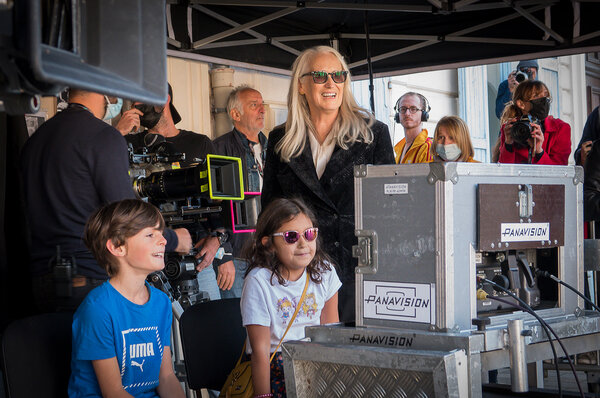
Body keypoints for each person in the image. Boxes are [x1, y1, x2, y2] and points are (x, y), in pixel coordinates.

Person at [20, 89, 191, 313]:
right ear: (102, 90)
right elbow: (126, 214)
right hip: (88, 276)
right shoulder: (103, 136)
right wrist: (172, 238)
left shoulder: (36, 140)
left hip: (39, 280)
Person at [261, 45, 394, 323]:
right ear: (301, 85)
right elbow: (271, 211)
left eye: (338, 75)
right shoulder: (280, 139)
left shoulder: (373, 134)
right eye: (320, 75)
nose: (331, 83)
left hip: (357, 271)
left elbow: (389, 209)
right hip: (299, 273)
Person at [126, 84, 235, 301]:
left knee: (208, 326)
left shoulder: (199, 143)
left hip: (196, 259)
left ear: (163, 100)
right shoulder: (126, 144)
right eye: (132, 101)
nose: (135, 106)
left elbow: (220, 201)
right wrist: (119, 132)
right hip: (144, 260)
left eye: (140, 99)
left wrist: (220, 244)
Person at [68, 199, 184, 398]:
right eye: (150, 234)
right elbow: (113, 392)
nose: (164, 240)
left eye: (161, 233)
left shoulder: (161, 302)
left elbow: (165, 377)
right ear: (117, 247)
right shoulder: (98, 309)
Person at [241, 198, 341, 398]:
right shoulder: (259, 281)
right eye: (291, 237)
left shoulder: (326, 271)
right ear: (269, 244)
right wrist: (263, 396)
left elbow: (331, 335)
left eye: (310, 234)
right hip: (276, 367)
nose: (303, 243)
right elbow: (260, 352)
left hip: (316, 361)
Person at [213, 85, 267, 298]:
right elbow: (213, 206)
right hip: (236, 257)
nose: (262, 110)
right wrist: (223, 255)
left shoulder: (275, 149)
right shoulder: (219, 149)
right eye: (254, 105)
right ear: (235, 114)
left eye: (262, 105)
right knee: (235, 324)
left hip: (269, 256)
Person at [497, 80, 571, 165]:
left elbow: (560, 173)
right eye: (536, 96)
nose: (544, 100)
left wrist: (539, 151)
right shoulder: (512, 128)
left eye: (546, 95)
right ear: (521, 104)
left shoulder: (561, 128)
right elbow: (505, 171)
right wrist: (508, 145)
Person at [393, 92, 434, 164]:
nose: (407, 113)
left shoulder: (429, 147)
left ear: (423, 115)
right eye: (403, 109)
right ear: (397, 115)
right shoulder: (399, 147)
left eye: (413, 109)